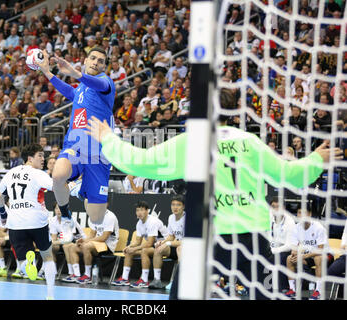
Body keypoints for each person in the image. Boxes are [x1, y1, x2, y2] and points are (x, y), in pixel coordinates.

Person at [85, 88, 342, 300]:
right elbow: (288, 174)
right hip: (251, 237)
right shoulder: (249, 141)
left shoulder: (191, 142)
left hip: (208, 236)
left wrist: (109, 138)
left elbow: (139, 162)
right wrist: (315, 159)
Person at [35, 46, 116, 226]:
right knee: (57, 175)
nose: (95, 62)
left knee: (96, 218)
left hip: (98, 154)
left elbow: (97, 84)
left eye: (100, 61)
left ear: (104, 67)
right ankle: (65, 216)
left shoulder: (106, 83)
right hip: (76, 146)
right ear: (86, 60)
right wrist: (47, 72)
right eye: (92, 58)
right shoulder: (81, 88)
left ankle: (80, 189)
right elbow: (69, 91)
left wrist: (74, 72)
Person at [0, 143, 56, 299]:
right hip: (37, 221)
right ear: (30, 158)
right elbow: (56, 187)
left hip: (15, 223)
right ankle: (50, 295)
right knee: (48, 257)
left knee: (22, 260)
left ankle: (28, 264)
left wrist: (3, 216)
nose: (43, 159)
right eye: (40, 156)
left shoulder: (10, 173)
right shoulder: (39, 174)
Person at [111, 201, 168, 288]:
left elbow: (149, 243)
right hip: (154, 246)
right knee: (129, 251)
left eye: (142, 210)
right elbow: (138, 241)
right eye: (137, 210)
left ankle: (144, 280)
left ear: (147, 211)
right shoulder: (139, 223)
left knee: (144, 251)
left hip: (164, 246)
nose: (139, 213)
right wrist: (129, 247)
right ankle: (125, 278)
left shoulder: (152, 221)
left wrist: (135, 248)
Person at [285, 207, 331, 300]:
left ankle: (318, 291)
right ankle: (292, 290)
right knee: (289, 259)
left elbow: (320, 250)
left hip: (325, 256)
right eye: (299, 213)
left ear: (309, 214)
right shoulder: (296, 228)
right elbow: (294, 248)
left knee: (318, 258)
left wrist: (303, 256)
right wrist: (295, 255)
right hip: (307, 257)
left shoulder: (318, 227)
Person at [68, 209, 119, 284]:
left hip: (108, 245)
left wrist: (88, 242)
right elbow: (92, 235)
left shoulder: (110, 217)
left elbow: (104, 238)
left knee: (86, 246)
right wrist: (83, 240)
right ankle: (76, 274)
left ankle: (88, 275)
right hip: (96, 243)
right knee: (73, 247)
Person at [148, 195, 185, 289]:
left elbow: (185, 241)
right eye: (173, 205)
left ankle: (179, 282)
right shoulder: (171, 217)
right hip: (176, 246)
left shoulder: (187, 219)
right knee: (158, 249)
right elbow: (171, 236)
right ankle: (157, 280)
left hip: (187, 248)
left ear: (183, 207)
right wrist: (162, 242)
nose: (175, 207)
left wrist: (168, 243)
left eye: (178, 205)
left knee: (180, 249)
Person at [44, 202, 85, 282]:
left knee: (67, 246)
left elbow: (69, 239)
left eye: (60, 208)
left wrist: (52, 242)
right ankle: (53, 272)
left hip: (79, 241)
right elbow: (54, 238)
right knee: (50, 247)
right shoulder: (53, 220)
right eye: (56, 208)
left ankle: (73, 274)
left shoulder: (70, 219)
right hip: (65, 241)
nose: (58, 211)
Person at [267, 196, 296, 293]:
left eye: (278, 207)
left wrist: (273, 251)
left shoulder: (290, 222)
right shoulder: (268, 219)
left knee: (278, 258)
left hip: (286, 251)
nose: (275, 209)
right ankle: (265, 287)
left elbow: (289, 245)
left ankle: (282, 289)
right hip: (271, 248)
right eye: (273, 206)